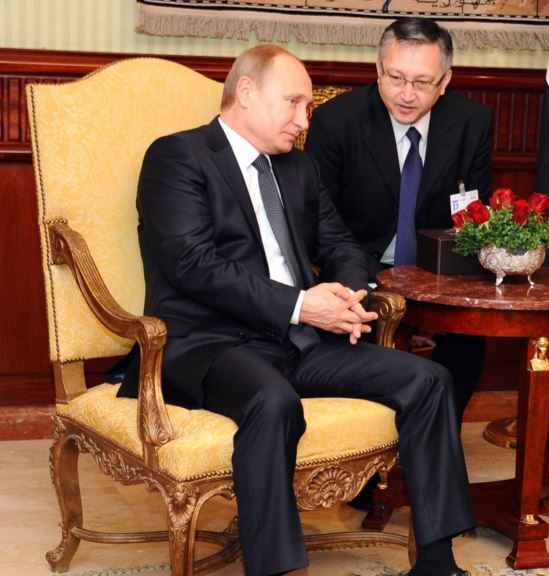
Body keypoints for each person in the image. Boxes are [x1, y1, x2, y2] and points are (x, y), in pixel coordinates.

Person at [117, 44, 473, 576]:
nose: (305, 120)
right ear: (246, 92)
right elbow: (194, 266)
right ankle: (277, 568)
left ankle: (437, 563)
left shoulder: (298, 167)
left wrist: (348, 294)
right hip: (210, 344)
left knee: (430, 380)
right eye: (294, 103)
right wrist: (302, 305)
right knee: (273, 401)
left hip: (298, 341)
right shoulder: (178, 157)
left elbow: (340, 243)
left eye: (307, 107)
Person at [304, 17, 492, 426]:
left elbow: (473, 217)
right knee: (361, 335)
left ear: (445, 81)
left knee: (470, 337)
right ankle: (375, 444)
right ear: (378, 70)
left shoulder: (471, 123)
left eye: (422, 82)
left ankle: (432, 438)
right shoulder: (337, 121)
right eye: (395, 78)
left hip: (437, 272)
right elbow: (318, 222)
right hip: (360, 267)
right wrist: (361, 280)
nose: (407, 94)